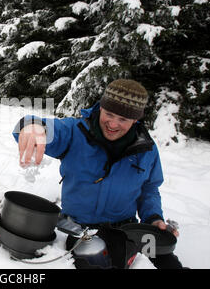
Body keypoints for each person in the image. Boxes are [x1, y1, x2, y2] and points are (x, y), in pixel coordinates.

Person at [12, 79, 184, 269]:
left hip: (127, 230)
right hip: (80, 230)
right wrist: (33, 126)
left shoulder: (146, 149)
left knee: (167, 262)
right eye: (109, 113)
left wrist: (153, 219)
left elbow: (149, 189)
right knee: (95, 264)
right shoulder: (75, 132)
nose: (112, 123)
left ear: (135, 120)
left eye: (123, 119)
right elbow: (44, 127)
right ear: (101, 107)